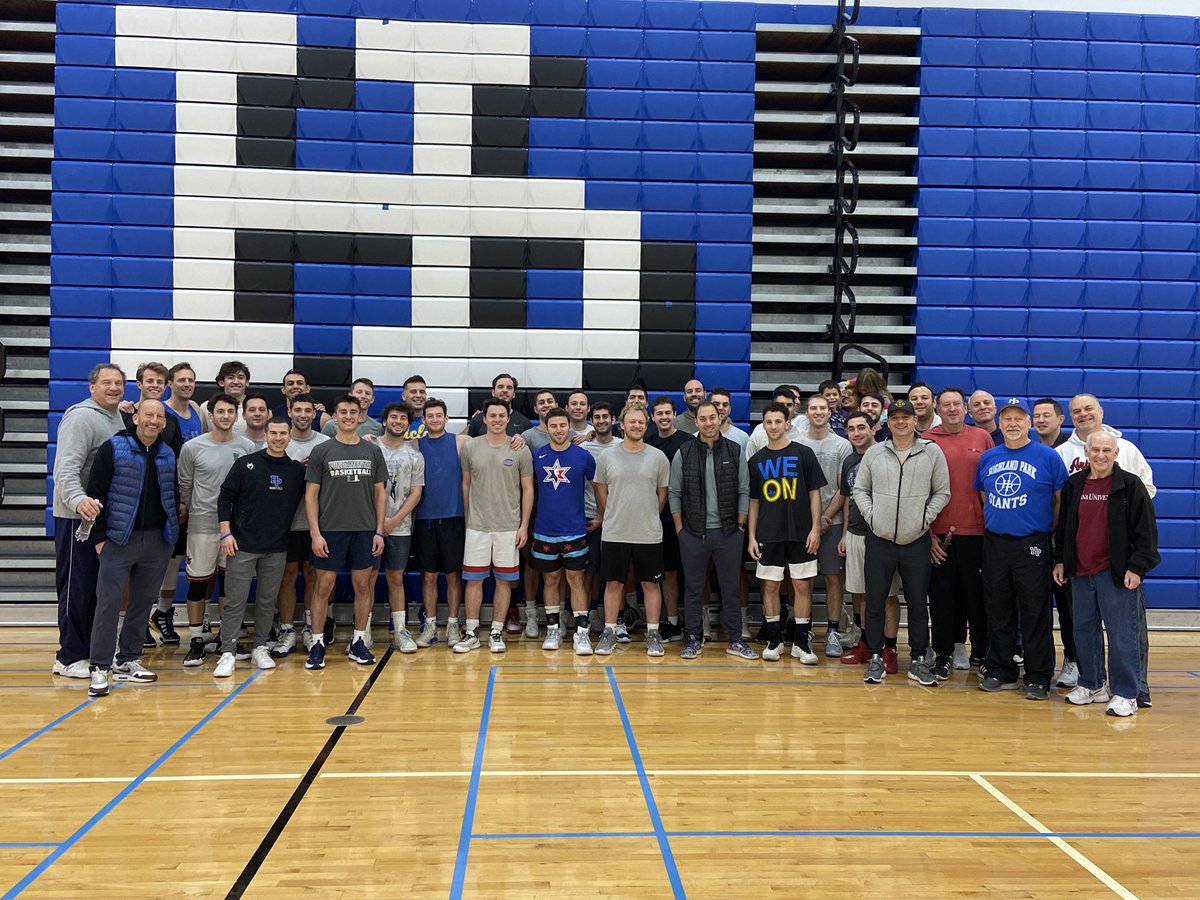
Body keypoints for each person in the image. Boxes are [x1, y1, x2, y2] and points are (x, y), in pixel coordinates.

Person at [1055, 393, 1156, 707]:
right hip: (1080, 572)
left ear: (1116, 452)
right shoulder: (1075, 485)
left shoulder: (1130, 485)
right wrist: (1061, 560)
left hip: (1115, 574)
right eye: (1095, 450)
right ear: (1086, 453)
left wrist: (1137, 567)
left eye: (1106, 451)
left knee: (1122, 635)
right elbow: (1065, 529)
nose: (1100, 455)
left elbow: (1146, 533)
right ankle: (1092, 684)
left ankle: (1126, 693)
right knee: (1084, 632)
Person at [83, 399, 179, 697]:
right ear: (135, 417)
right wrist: (99, 538)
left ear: (164, 422)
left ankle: (128, 659)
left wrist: (170, 535)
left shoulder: (167, 452)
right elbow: (94, 493)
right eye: (148, 414)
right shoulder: (113, 448)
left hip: (156, 541)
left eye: (159, 416)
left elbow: (172, 494)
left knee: (142, 603)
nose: (153, 420)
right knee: (108, 604)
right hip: (117, 539)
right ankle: (99, 667)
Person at [852, 398, 950, 686]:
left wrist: (923, 520)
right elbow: (860, 490)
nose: (900, 422)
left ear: (914, 420)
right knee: (874, 602)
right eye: (895, 417)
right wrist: (872, 517)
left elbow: (942, 492)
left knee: (918, 602)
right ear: (888, 422)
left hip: (916, 540)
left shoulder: (931, 452)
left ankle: (919, 659)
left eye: (905, 417)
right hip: (879, 539)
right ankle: (875, 657)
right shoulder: (874, 453)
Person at [975, 398, 1069, 700]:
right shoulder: (988, 457)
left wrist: (1044, 531)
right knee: (998, 607)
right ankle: (1001, 669)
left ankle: (1038, 674)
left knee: (1034, 610)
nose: (1012, 424)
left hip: (1033, 542)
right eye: (1007, 419)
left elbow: (1059, 502)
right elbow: (983, 496)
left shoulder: (1048, 457)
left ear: (1029, 423)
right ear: (1000, 424)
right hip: (996, 543)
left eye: (1019, 418)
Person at [214, 417, 306, 676]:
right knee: (235, 601)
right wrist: (225, 533)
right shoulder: (246, 465)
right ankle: (228, 652)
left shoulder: (297, 471)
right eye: (273, 433)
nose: (278, 438)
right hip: (242, 545)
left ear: (290, 437)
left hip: (276, 547)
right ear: (265, 434)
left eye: (283, 434)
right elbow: (225, 497)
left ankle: (260, 647)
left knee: (267, 602)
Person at [305, 394, 388, 670]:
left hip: (364, 530)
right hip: (330, 530)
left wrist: (378, 531)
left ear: (360, 414)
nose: (349, 416)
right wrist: (315, 533)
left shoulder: (373, 451)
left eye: (353, 412)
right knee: (324, 586)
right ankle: (316, 642)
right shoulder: (322, 450)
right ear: (336, 415)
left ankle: (358, 641)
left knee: (363, 586)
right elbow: (311, 495)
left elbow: (380, 493)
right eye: (343, 412)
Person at [177, 392, 256, 666]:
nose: (225, 416)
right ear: (211, 416)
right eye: (220, 412)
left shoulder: (247, 447)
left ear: (237, 416)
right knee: (199, 585)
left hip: (236, 529)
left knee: (229, 587)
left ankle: (227, 639)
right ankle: (197, 640)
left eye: (230, 412)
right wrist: (185, 509)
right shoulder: (193, 448)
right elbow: (185, 486)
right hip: (201, 525)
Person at [670, 401, 753, 659]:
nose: (708, 423)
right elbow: (674, 492)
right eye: (703, 419)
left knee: (730, 587)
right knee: (694, 588)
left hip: (729, 532)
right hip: (693, 534)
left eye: (712, 418)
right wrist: (680, 528)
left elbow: (744, 489)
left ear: (720, 419)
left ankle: (736, 640)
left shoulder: (736, 449)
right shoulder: (684, 452)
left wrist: (740, 524)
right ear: (696, 422)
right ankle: (693, 638)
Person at [453, 399, 534, 653]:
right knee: (473, 581)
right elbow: (465, 484)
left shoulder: (519, 448)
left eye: (502, 415)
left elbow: (528, 489)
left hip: (509, 527)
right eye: (492, 416)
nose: (497, 420)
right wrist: (467, 520)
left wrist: (523, 526)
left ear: (508, 418)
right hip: (477, 526)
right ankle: (472, 632)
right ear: (484, 419)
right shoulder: (470, 448)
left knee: (503, 581)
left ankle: (497, 632)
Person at [747, 402, 825, 662]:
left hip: (801, 532)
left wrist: (815, 528)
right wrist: (751, 537)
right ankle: (774, 640)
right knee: (770, 586)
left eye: (778, 422)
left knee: (802, 585)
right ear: (763, 425)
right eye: (768, 422)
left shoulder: (804, 453)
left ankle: (802, 643)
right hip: (769, 533)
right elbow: (754, 502)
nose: (773, 426)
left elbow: (815, 494)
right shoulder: (756, 460)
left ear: (787, 424)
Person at [924, 387, 993, 674]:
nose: (951, 409)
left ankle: (981, 655)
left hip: (977, 531)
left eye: (956, 404)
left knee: (976, 596)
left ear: (965, 409)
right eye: (945, 405)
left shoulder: (982, 437)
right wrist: (927, 534)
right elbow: (919, 491)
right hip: (937, 533)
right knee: (940, 596)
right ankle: (943, 653)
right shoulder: (926, 441)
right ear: (937, 410)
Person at [594, 404, 670, 656]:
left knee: (650, 584)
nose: (637, 426)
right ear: (622, 425)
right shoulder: (607, 457)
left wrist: (646, 514)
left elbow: (662, 495)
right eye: (632, 422)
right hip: (615, 532)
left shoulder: (658, 457)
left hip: (648, 533)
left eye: (641, 422)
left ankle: (652, 633)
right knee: (614, 583)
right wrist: (615, 513)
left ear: (645, 426)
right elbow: (601, 491)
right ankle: (609, 632)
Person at [837, 411, 902, 674]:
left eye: (861, 427)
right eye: (851, 429)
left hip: (883, 535)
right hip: (855, 534)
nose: (856, 433)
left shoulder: (887, 455)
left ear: (873, 428)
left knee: (887, 595)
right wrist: (843, 533)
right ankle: (866, 643)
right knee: (861, 594)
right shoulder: (850, 460)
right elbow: (847, 502)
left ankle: (890, 648)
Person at [529, 407, 598, 654]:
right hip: (543, 531)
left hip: (575, 532)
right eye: (553, 426)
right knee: (550, 580)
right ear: (546, 427)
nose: (558, 430)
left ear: (570, 426)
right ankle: (553, 630)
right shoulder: (536, 456)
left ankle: (582, 633)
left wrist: (601, 515)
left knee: (576, 580)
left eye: (562, 425)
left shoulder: (583, 456)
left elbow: (599, 488)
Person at [154, 361, 206, 643]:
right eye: (181, 380)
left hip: (196, 495)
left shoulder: (197, 411)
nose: (187, 384)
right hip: (171, 494)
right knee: (168, 558)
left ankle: (166, 613)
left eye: (191, 380)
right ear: (170, 383)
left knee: (186, 558)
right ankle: (161, 611)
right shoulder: (163, 411)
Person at [275, 392, 329, 656]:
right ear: (290, 411)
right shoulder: (279, 441)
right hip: (285, 524)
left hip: (314, 526)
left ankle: (310, 628)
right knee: (285, 578)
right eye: (299, 410)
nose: (304, 415)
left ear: (314, 413)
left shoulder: (325, 443)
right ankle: (286, 630)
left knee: (312, 576)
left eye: (309, 410)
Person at [802, 394, 854, 657]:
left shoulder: (842, 445)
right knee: (805, 580)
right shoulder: (797, 443)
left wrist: (825, 517)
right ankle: (806, 629)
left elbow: (843, 488)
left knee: (834, 579)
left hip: (832, 523)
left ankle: (833, 631)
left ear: (829, 410)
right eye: (813, 408)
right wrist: (813, 521)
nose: (818, 412)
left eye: (822, 407)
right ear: (806, 412)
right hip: (805, 525)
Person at [413, 398, 467, 648]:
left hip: (453, 518)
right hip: (424, 519)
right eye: (430, 416)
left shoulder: (459, 442)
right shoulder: (414, 444)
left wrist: (518, 439)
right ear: (423, 420)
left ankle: (454, 624)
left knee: (453, 576)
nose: (434, 419)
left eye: (439, 415)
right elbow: (386, 444)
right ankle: (431, 625)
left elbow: (497, 439)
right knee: (428, 577)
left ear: (446, 419)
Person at [376, 402, 426, 652]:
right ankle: (361, 633)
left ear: (409, 424)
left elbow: (415, 494)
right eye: (393, 417)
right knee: (364, 579)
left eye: (403, 419)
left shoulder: (415, 456)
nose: (398, 421)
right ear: (384, 421)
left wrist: (393, 521)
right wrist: (378, 523)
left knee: (396, 578)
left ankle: (400, 630)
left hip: (400, 527)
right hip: (369, 527)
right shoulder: (369, 448)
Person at [645, 396, 691, 641]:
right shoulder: (646, 443)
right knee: (654, 572)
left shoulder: (687, 442)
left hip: (681, 519)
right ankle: (661, 622)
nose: (663, 417)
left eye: (667, 413)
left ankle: (676, 621)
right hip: (649, 518)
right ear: (652, 417)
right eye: (659, 413)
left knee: (674, 572)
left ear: (675, 415)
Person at [580, 401, 622, 616]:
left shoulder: (624, 446)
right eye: (597, 417)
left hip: (619, 520)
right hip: (590, 518)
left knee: (618, 574)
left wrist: (605, 518)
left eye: (606, 416)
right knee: (589, 573)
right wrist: (597, 517)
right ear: (591, 421)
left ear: (613, 419)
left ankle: (619, 619)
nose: (601, 420)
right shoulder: (583, 449)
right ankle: (588, 616)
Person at [120, 362, 183, 457]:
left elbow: (176, 458)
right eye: (150, 381)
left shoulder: (171, 421)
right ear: (139, 384)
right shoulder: (123, 413)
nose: (155, 385)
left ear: (165, 386)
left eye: (159, 382)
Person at [745, 385, 807, 458]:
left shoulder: (803, 436)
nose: (785, 408)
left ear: (794, 408)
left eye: (789, 405)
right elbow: (749, 464)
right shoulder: (758, 434)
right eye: (781, 404)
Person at [467, 373, 532, 436]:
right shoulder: (478, 420)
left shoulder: (524, 422)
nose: (505, 390)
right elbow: (466, 443)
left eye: (509, 388)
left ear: (514, 394)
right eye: (500, 387)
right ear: (493, 392)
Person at [709, 386, 750, 451]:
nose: (721, 408)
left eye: (725, 405)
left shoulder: (743, 438)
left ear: (729, 410)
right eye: (716, 404)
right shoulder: (697, 437)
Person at [401, 375, 428, 439]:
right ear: (403, 396)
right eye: (413, 392)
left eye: (422, 392)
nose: (418, 395)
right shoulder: (392, 421)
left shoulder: (433, 421)